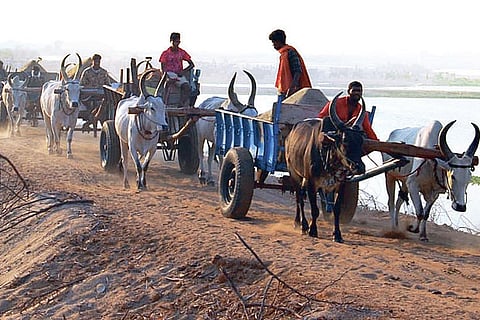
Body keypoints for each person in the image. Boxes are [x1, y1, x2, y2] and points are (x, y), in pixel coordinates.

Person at [269, 29, 312, 101]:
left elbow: (297, 71)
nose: (273, 45)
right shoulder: (283, 54)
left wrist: (291, 89)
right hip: (284, 91)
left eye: (274, 42)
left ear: (279, 41)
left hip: (293, 92)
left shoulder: (290, 52)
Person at [159, 32, 195, 107]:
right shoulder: (165, 53)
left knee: (187, 87)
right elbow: (163, 67)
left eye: (178, 42)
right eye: (175, 42)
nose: (177, 44)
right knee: (167, 85)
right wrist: (166, 77)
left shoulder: (182, 52)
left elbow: (192, 64)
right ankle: (163, 103)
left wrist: (183, 71)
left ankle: (181, 104)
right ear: (171, 41)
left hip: (178, 74)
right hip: (169, 73)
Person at [79, 54, 111, 136]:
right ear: (92, 61)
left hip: (101, 97)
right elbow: (81, 84)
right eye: (95, 61)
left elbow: (108, 85)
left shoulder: (104, 72)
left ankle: (97, 119)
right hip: (88, 96)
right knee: (89, 107)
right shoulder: (87, 72)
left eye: (98, 61)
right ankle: (90, 119)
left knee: (103, 107)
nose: (97, 63)